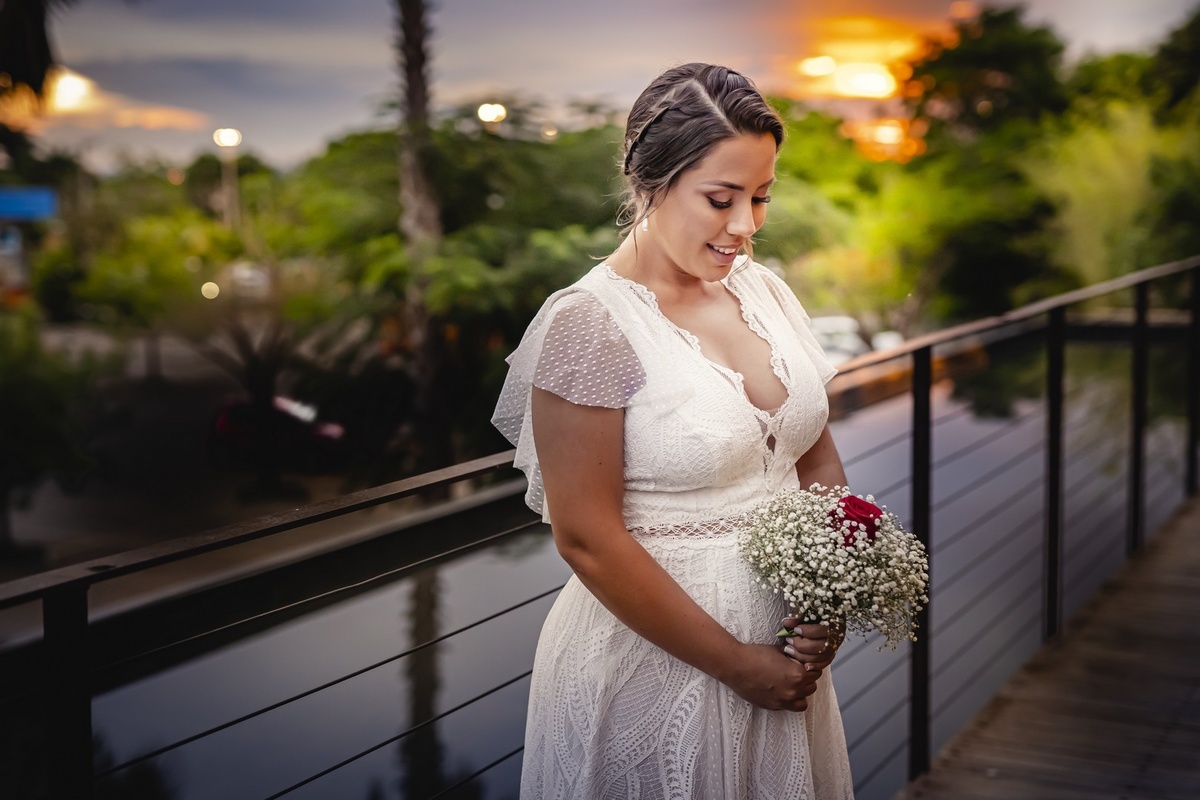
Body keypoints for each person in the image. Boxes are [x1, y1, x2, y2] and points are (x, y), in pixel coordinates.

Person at [492, 62, 855, 799]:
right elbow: (586, 538)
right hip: (651, 670)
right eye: (721, 199)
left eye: (760, 196)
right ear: (650, 181)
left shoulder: (764, 289)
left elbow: (814, 459)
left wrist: (827, 601)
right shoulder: (588, 325)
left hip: (785, 663)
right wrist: (738, 664)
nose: (745, 226)